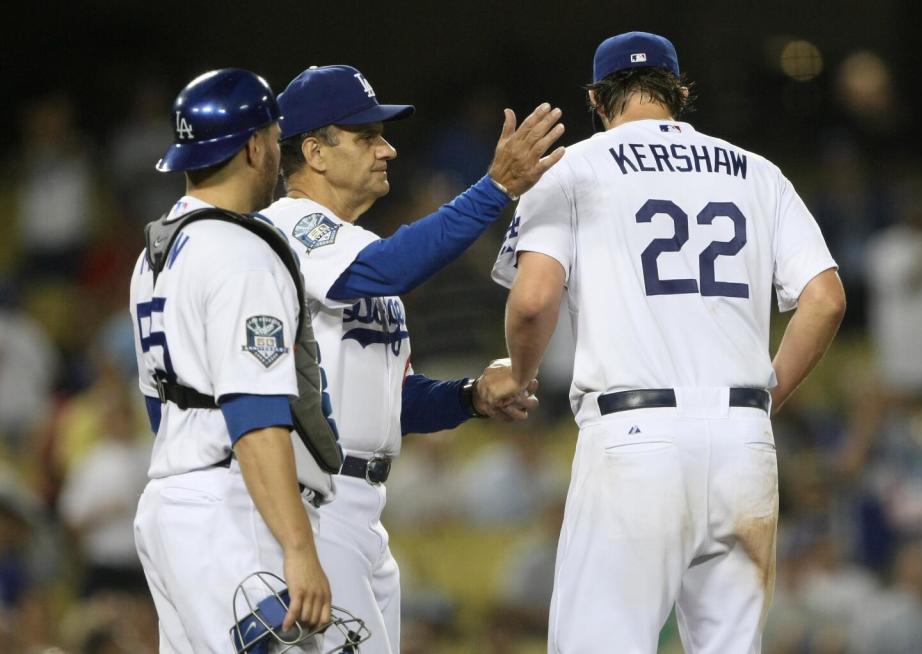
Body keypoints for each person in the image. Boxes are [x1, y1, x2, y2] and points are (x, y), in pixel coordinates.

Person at [484, 32, 847, 653]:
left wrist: (518, 375)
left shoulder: (573, 167)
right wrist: (764, 401)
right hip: (743, 444)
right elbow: (826, 297)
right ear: (680, 92)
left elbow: (534, 299)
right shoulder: (757, 171)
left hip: (635, 438)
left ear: (598, 99)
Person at [258, 64, 565, 654]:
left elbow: (389, 402)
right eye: (367, 136)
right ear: (315, 152)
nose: (388, 149)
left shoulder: (354, 251)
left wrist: (468, 396)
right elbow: (392, 268)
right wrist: (494, 188)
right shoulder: (287, 230)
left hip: (362, 510)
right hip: (312, 507)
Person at [129, 68, 335, 653]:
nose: (277, 147)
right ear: (254, 146)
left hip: (172, 507)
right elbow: (253, 410)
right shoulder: (240, 253)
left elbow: (157, 405)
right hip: (230, 514)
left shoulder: (155, 253)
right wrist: (298, 548)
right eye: (273, 135)